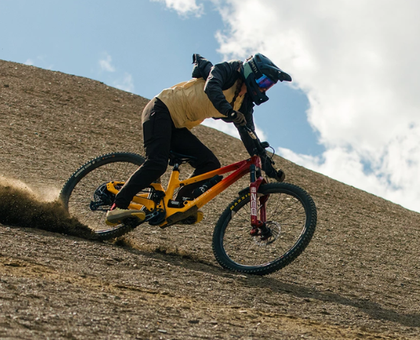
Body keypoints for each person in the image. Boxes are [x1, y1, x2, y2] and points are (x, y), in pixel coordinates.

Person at [105, 53, 292, 226]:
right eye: (263, 80)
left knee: (210, 164)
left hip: (178, 125)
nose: (264, 87)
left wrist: (269, 168)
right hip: (161, 108)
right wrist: (229, 111)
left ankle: (178, 204)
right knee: (157, 164)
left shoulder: (243, 103)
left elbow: (250, 137)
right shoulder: (228, 71)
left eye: (269, 85)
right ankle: (118, 205)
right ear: (252, 72)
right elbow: (212, 87)